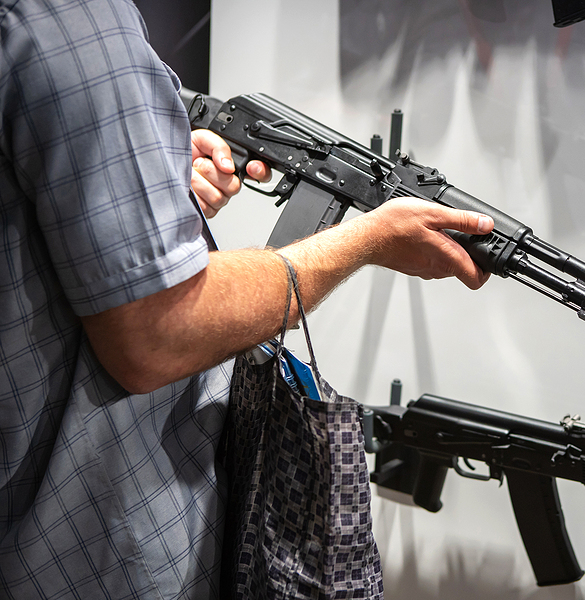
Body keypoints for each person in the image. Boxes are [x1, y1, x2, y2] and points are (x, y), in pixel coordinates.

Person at [0, 0, 493, 597]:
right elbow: (158, 333)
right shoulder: (75, 19)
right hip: (82, 545)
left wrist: (149, 191)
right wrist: (364, 242)